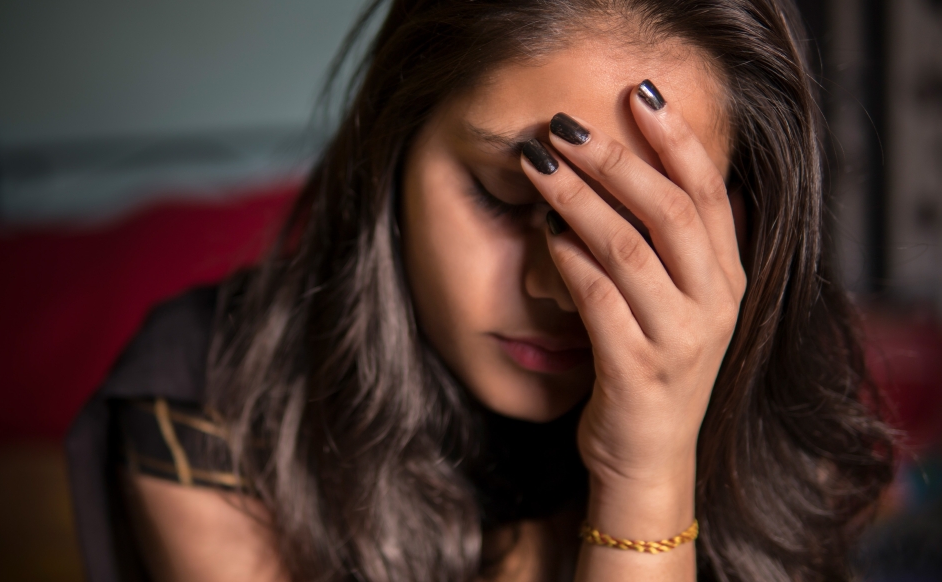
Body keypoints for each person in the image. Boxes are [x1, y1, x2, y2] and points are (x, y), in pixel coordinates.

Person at [66, 0, 895, 580]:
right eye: (504, 198)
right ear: (391, 148)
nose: (558, 288)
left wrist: (646, 471)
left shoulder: (781, 412)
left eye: (636, 228)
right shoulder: (210, 399)